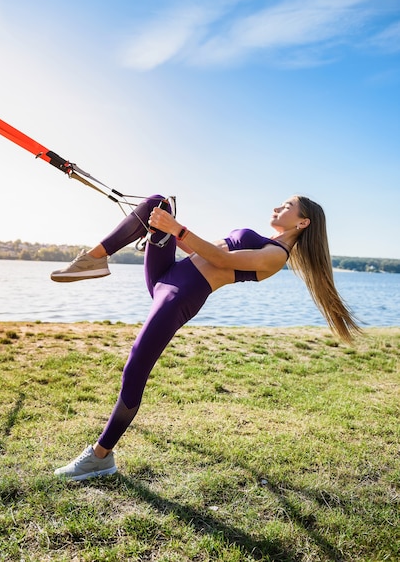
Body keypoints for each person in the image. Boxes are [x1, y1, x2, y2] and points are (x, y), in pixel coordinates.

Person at [52, 194, 360, 480]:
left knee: (135, 370)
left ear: (302, 222)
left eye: (286, 206)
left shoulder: (275, 257)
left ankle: (101, 456)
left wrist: (177, 229)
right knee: (157, 203)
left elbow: (222, 261)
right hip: (167, 274)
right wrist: (167, 230)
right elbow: (201, 249)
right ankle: (93, 259)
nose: (277, 208)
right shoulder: (262, 240)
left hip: (179, 295)